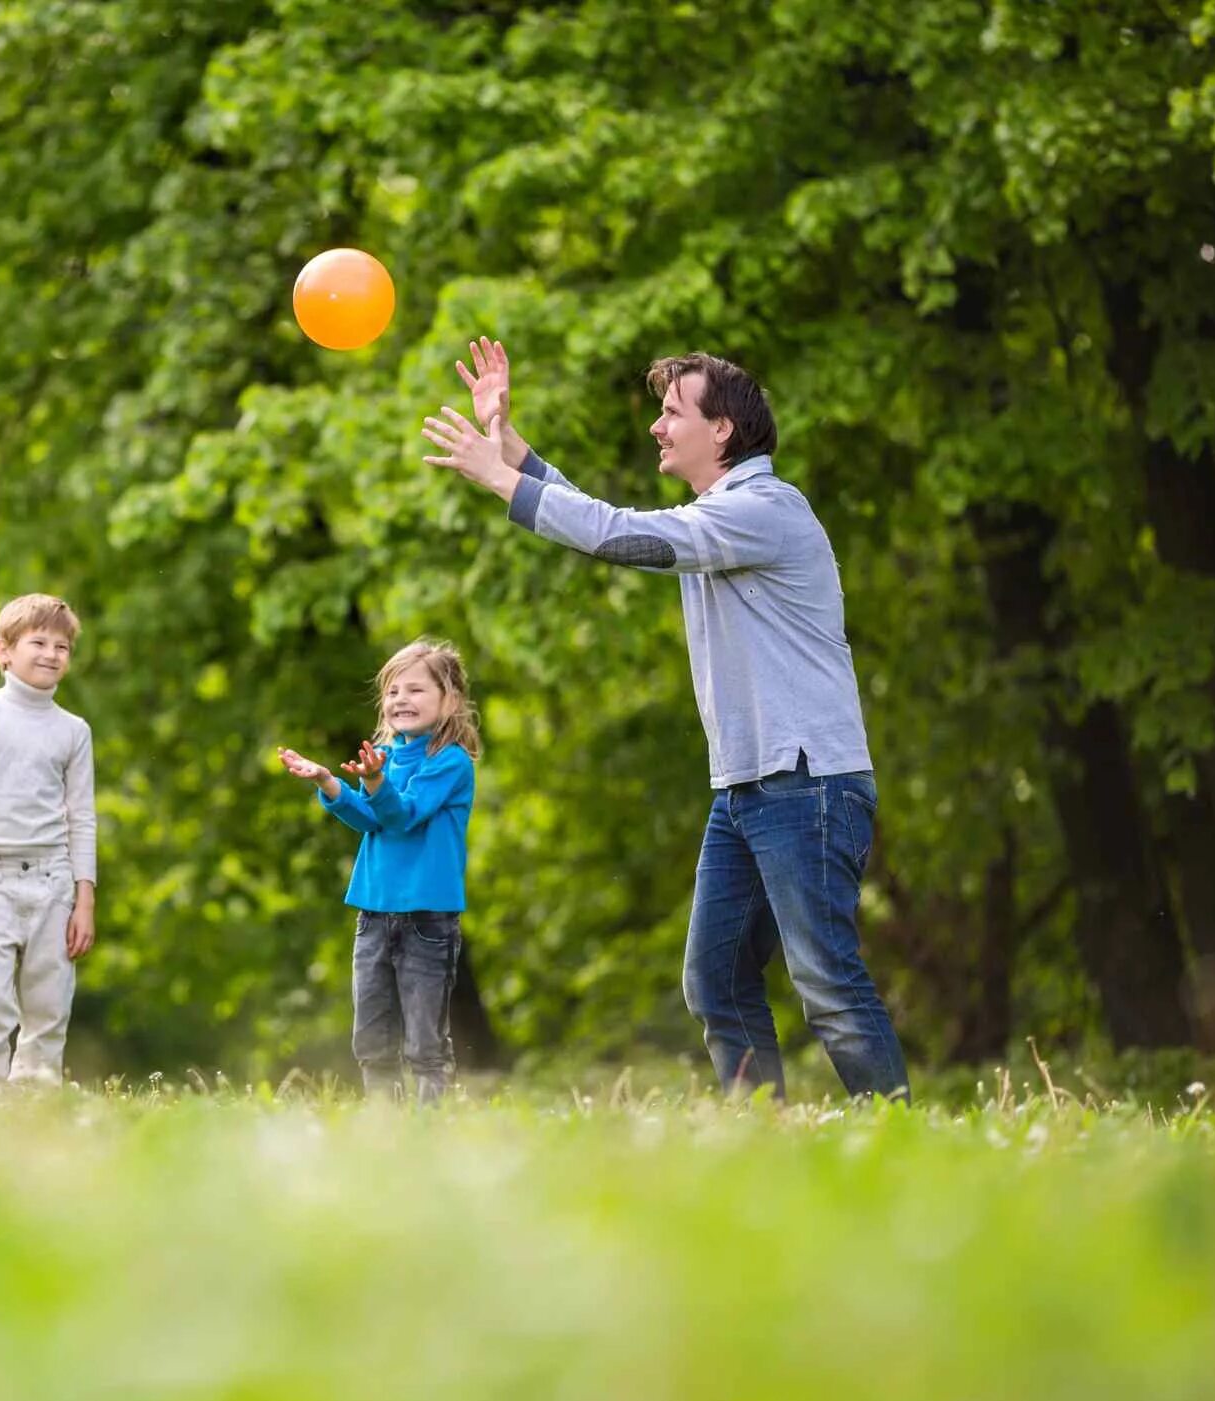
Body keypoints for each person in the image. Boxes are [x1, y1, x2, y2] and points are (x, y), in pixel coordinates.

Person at [420, 338, 909, 1102]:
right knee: (714, 981)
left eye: (671, 412)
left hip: (805, 783)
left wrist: (500, 480)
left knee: (827, 987)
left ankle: (895, 1138)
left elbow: (623, 536)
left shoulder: (763, 511)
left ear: (721, 431)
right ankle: (760, 1140)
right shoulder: (719, 514)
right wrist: (506, 442)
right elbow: (611, 520)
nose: (656, 426)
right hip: (748, 788)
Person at [279, 639, 480, 1104]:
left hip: (428, 919)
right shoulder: (386, 759)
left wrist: (373, 782)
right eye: (391, 692)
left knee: (424, 1042)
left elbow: (403, 815)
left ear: (449, 700)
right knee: (371, 1036)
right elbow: (372, 820)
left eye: (415, 690)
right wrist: (329, 782)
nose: (400, 700)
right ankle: (383, 1124)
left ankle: (429, 1124)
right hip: (373, 915)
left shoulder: (449, 762)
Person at [0, 594, 98, 1088]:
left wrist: (84, 899)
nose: (51, 653)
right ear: (5, 651)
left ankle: (33, 1111)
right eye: (39, 642)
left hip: (53, 882)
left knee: (49, 1005)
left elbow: (82, 817)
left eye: (62, 646)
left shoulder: (73, 731)